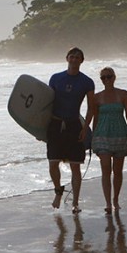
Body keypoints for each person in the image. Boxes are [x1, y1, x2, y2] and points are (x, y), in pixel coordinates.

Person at [47, 47, 95, 214]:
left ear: (82, 61)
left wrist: (84, 127)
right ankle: (58, 191)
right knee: (53, 163)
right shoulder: (55, 78)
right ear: (67, 58)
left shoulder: (87, 82)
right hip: (55, 124)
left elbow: (91, 108)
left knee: (75, 166)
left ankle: (75, 202)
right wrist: (40, 129)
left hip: (74, 125)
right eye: (72, 57)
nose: (74, 60)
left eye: (77, 57)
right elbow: (46, 104)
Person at [91, 67, 127, 214]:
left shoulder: (123, 94)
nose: (106, 80)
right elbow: (95, 118)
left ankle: (115, 199)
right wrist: (92, 137)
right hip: (102, 135)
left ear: (114, 77)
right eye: (103, 78)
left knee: (117, 171)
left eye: (109, 77)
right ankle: (107, 202)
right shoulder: (97, 97)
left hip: (120, 134)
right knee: (106, 168)